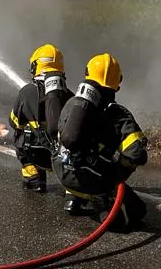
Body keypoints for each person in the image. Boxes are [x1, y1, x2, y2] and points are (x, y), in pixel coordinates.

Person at [53, 53, 149, 230]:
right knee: (138, 212)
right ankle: (107, 207)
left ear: (87, 74)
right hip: (93, 181)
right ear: (118, 84)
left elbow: (60, 134)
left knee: (81, 161)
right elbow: (137, 154)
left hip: (61, 171)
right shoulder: (120, 116)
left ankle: (73, 199)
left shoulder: (72, 104)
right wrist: (118, 174)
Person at [9, 43, 73, 192]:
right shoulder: (69, 95)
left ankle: (33, 177)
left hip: (37, 153)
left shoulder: (26, 91)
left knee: (19, 133)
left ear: (35, 67)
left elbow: (14, 122)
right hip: (64, 159)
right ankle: (72, 186)